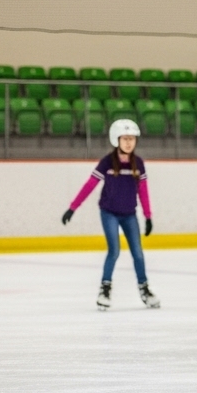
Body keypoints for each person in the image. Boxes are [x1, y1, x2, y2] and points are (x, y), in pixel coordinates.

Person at [61, 118, 160, 310]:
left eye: (132, 139)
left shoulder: (138, 163)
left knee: (138, 253)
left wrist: (148, 216)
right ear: (116, 140)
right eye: (125, 139)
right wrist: (73, 208)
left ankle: (145, 289)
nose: (129, 142)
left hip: (129, 214)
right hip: (109, 213)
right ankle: (105, 289)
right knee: (114, 251)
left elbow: (143, 191)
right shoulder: (107, 162)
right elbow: (90, 185)